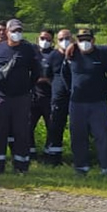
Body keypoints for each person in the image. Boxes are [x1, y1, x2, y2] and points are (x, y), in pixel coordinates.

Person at [61, 29, 107, 174]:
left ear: (93, 40)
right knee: (78, 136)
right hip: (77, 103)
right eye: (81, 40)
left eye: (87, 39)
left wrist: (104, 94)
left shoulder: (103, 54)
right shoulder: (71, 54)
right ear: (77, 41)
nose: (84, 42)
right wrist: (73, 90)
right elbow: (65, 75)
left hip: (98, 103)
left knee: (102, 136)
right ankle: (81, 167)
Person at [0, 19, 39, 175]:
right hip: (0, 96)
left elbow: (35, 72)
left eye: (19, 31)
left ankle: (21, 165)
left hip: (21, 97)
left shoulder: (28, 49)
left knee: (21, 130)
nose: (17, 34)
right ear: (7, 32)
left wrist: (26, 88)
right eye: (14, 31)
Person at [45, 28, 73, 166]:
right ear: (57, 41)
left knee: (77, 127)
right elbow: (47, 75)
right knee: (56, 127)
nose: (64, 41)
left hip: (75, 98)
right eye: (61, 39)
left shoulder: (76, 54)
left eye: (67, 38)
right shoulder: (52, 56)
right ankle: (54, 158)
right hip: (58, 98)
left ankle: (78, 157)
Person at [30, 29, 56, 162]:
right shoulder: (32, 54)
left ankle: (48, 155)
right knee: (28, 126)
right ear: (37, 38)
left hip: (49, 97)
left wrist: (47, 80)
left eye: (48, 39)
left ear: (52, 41)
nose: (44, 41)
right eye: (42, 38)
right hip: (33, 96)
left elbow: (59, 77)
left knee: (51, 127)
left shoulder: (54, 55)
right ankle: (31, 154)